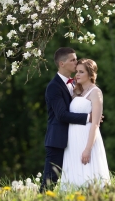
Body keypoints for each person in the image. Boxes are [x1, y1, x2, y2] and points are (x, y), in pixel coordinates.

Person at [41, 47, 91, 191]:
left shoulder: (76, 83)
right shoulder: (53, 87)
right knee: (49, 182)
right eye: (73, 60)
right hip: (57, 141)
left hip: (75, 140)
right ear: (62, 64)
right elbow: (61, 115)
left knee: (77, 178)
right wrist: (88, 117)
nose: (77, 62)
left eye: (76, 59)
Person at [61, 58, 110, 189]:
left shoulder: (96, 92)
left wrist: (88, 149)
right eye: (76, 71)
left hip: (86, 140)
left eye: (81, 72)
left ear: (90, 74)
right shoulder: (77, 92)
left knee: (89, 177)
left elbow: (95, 124)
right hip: (73, 141)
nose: (77, 75)